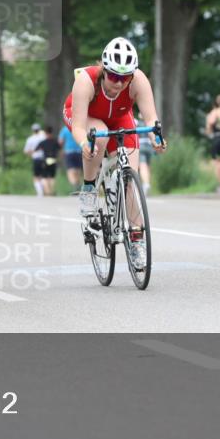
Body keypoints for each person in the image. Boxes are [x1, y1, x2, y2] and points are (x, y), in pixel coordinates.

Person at [63, 37, 166, 268]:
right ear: (104, 70)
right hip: (85, 115)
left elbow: (151, 119)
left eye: (125, 78)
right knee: (98, 135)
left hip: (119, 117)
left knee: (130, 179)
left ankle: (137, 241)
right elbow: (79, 127)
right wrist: (84, 145)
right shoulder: (86, 81)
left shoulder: (138, 80)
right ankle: (89, 188)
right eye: (114, 77)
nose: (119, 84)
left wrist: (156, 138)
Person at [23, 124, 47, 196]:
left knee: (36, 177)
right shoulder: (43, 137)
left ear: (32, 130)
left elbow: (26, 151)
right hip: (44, 158)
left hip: (36, 159)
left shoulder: (30, 139)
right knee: (43, 175)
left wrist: (32, 153)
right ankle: (45, 190)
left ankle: (40, 192)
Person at [36, 125, 60, 196]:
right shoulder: (55, 141)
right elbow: (60, 149)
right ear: (52, 132)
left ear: (45, 133)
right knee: (52, 176)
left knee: (44, 177)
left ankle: (47, 191)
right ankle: (51, 190)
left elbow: (36, 150)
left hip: (46, 160)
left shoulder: (43, 142)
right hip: (53, 159)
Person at [58, 124, 83, 191]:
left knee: (70, 170)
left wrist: (61, 149)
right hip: (79, 151)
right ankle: (78, 185)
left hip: (69, 152)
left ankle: (75, 186)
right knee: (78, 170)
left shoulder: (65, 129)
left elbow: (60, 141)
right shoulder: (79, 127)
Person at [136, 117, 154, 195]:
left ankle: (145, 184)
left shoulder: (136, 122)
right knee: (148, 166)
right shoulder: (150, 122)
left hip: (141, 146)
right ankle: (147, 183)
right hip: (149, 146)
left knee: (142, 165)